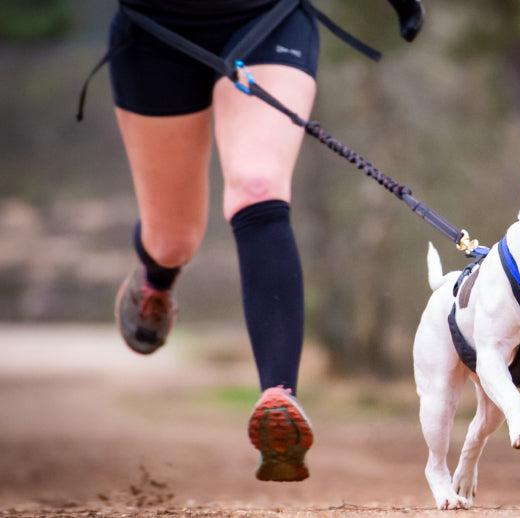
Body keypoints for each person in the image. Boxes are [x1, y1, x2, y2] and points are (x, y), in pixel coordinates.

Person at [101, 0, 425, 482]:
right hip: (154, 32)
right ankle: (156, 277)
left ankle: (279, 399)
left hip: (265, 19)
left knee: (258, 186)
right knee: (172, 238)